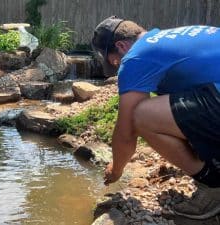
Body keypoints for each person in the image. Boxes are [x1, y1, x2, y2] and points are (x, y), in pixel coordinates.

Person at [91, 15, 220, 220]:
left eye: (114, 61)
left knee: (141, 115)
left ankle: (213, 183)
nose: (117, 67)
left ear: (122, 46)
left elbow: (126, 133)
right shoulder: (169, 39)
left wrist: (116, 170)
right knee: (170, 107)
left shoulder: (136, 57)